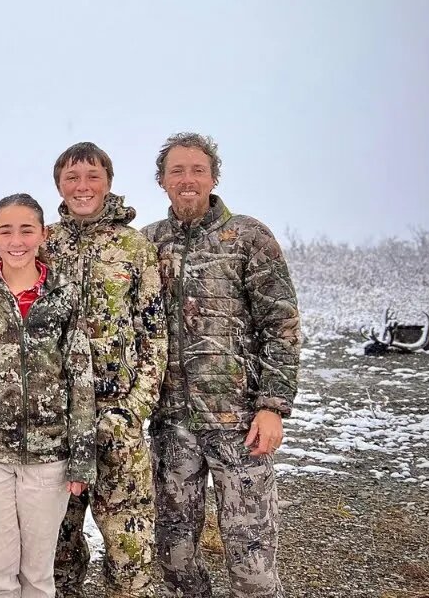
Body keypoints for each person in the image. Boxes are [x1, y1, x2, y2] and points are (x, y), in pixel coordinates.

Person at [141, 133, 300, 598]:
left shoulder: (249, 237)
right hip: (171, 427)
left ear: (213, 177)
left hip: (240, 426)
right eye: (177, 171)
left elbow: (281, 324)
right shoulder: (147, 243)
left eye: (197, 170)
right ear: (162, 181)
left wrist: (273, 405)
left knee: (251, 560)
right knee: (173, 558)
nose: (187, 180)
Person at [0, 193, 97, 598]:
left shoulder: (63, 297)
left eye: (27, 229)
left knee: (38, 576)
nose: (17, 240)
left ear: (43, 234)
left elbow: (80, 379)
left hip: (49, 458)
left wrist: (81, 459)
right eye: (6, 230)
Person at [46, 142, 168, 598]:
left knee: (128, 547)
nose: (83, 186)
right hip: (55, 419)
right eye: (72, 177)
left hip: (115, 417)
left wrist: (134, 410)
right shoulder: (45, 242)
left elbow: (154, 334)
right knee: (57, 546)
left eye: (92, 176)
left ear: (108, 182)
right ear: (59, 183)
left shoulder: (135, 247)